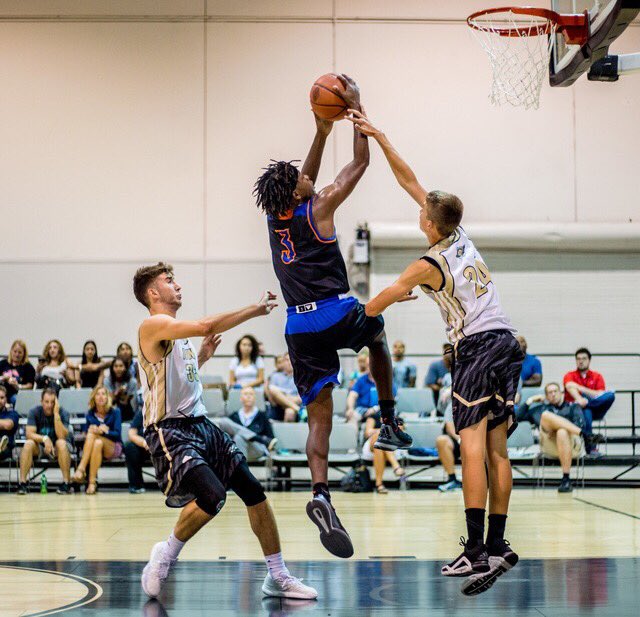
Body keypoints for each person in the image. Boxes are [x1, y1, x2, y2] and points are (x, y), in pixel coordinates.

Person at [349, 108, 524, 595]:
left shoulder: (429, 262)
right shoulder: (459, 233)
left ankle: (475, 551)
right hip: (507, 342)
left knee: (471, 447)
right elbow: (410, 179)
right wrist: (380, 135)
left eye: (422, 209)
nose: (417, 207)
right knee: (497, 450)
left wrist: (366, 309)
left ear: (428, 221)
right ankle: (498, 545)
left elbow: (377, 301)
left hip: (476, 347)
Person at [254, 75, 411, 558]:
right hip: (334, 311)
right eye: (302, 178)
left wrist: (322, 132)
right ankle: (389, 420)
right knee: (378, 335)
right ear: (297, 191)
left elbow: (302, 178)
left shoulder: (276, 216)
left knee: (317, 416)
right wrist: (357, 110)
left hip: (297, 328)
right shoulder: (319, 207)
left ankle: (320, 494)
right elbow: (360, 163)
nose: (310, 177)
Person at [133, 262, 316, 600]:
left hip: (200, 424)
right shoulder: (153, 325)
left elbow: (177, 381)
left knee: (254, 491)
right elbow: (206, 325)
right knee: (212, 495)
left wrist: (200, 359)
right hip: (169, 430)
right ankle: (165, 554)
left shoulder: (178, 337)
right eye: (169, 281)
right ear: (153, 292)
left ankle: (278, 575)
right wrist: (255, 310)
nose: (178, 285)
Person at [518, 383, 595, 493]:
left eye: (555, 391)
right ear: (546, 396)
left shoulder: (573, 407)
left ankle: (566, 479)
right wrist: (530, 400)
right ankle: (585, 435)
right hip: (549, 446)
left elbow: (580, 424)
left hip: (570, 446)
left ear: (561, 393)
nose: (553, 394)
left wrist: (556, 428)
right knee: (545, 415)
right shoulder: (539, 409)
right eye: (550, 392)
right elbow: (518, 417)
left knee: (562, 432)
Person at [17, 388, 74, 495]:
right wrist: (45, 439)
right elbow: (29, 434)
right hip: (41, 447)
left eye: (52, 402)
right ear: (41, 402)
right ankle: (22, 483)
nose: (49, 405)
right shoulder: (34, 412)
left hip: (59, 448)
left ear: (56, 402)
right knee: (28, 444)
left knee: (61, 443)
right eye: (46, 402)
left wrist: (56, 414)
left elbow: (61, 436)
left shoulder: (63, 413)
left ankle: (66, 483)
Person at [72, 385, 123, 495]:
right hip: (96, 447)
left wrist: (104, 432)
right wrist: (93, 430)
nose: (100, 397)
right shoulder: (90, 414)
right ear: (93, 398)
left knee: (93, 435)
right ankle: (92, 483)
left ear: (107, 397)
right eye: (97, 394)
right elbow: (85, 433)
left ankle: (81, 469)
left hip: (113, 447)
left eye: (103, 394)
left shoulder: (115, 412)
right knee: (97, 442)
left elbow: (117, 434)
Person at [563, 347, 615, 453]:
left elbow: (600, 394)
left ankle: (588, 404)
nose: (581, 361)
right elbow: (569, 386)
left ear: (589, 360)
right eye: (578, 359)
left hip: (596, 410)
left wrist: (580, 389)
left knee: (610, 395)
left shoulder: (597, 376)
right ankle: (591, 448)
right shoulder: (570, 375)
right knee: (587, 411)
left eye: (584, 358)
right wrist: (580, 399)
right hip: (577, 410)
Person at [218, 386, 278, 461]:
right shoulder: (234, 416)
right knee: (225, 423)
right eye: (246, 394)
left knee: (238, 437)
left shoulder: (262, 416)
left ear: (255, 398)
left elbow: (271, 438)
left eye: (251, 394)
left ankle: (240, 466)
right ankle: (255, 437)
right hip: (237, 448)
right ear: (241, 398)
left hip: (256, 449)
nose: (248, 396)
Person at [434, 349, 463, 492]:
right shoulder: (447, 379)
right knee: (442, 440)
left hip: (475, 432)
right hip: (457, 436)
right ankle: (452, 480)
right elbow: (446, 418)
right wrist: (459, 439)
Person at [345, 357, 398, 426]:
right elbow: (352, 395)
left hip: (381, 409)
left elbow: (391, 400)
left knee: (390, 414)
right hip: (363, 409)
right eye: (368, 365)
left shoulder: (387, 381)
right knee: (352, 415)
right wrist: (350, 408)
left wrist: (375, 409)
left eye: (372, 365)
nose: (370, 367)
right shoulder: (361, 380)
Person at [362, 410, 406, 494]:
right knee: (378, 436)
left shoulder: (397, 418)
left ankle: (379, 484)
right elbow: (368, 433)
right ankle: (396, 466)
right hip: (371, 447)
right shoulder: (373, 417)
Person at [266, 353, 301, 422]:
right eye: (287, 360)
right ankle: (298, 409)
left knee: (290, 412)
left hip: (294, 404)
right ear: (283, 362)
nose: (289, 362)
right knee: (273, 389)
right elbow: (272, 394)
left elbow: (300, 398)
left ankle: (295, 408)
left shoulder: (300, 377)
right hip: (278, 406)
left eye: (291, 359)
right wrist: (285, 398)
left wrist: (283, 398)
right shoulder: (275, 376)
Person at [0, 340, 36, 405]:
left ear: (24, 354)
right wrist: (3, 378)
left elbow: (30, 385)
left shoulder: (28, 367)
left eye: (20, 352)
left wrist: (18, 386)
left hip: (16, 394)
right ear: (11, 351)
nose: (17, 354)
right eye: (15, 351)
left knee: (16, 400)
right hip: (1, 393)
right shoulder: (3, 363)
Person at [104, 357, 138, 421]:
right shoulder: (107, 380)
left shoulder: (132, 381)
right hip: (111, 411)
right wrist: (118, 392)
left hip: (128, 411)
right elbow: (109, 401)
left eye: (121, 366)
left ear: (125, 368)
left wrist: (124, 396)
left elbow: (133, 404)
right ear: (112, 368)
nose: (118, 369)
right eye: (116, 366)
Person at [125, 409, 149, 494]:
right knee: (130, 447)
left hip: (163, 446)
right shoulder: (142, 412)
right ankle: (136, 485)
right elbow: (131, 434)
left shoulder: (167, 411)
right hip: (144, 447)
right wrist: (144, 443)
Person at [0, 385, 19, 460]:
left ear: (6, 399)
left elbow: (8, 425)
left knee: (4, 444)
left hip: (6, 449)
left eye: (2, 398)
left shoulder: (12, 413)